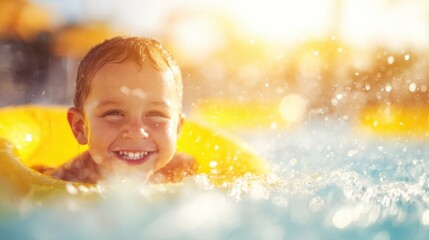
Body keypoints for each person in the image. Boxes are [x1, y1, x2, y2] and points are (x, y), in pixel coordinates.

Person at [45, 36, 198, 184]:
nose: (136, 132)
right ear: (80, 127)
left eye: (156, 114)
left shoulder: (183, 172)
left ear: (178, 128)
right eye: (114, 113)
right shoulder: (63, 181)